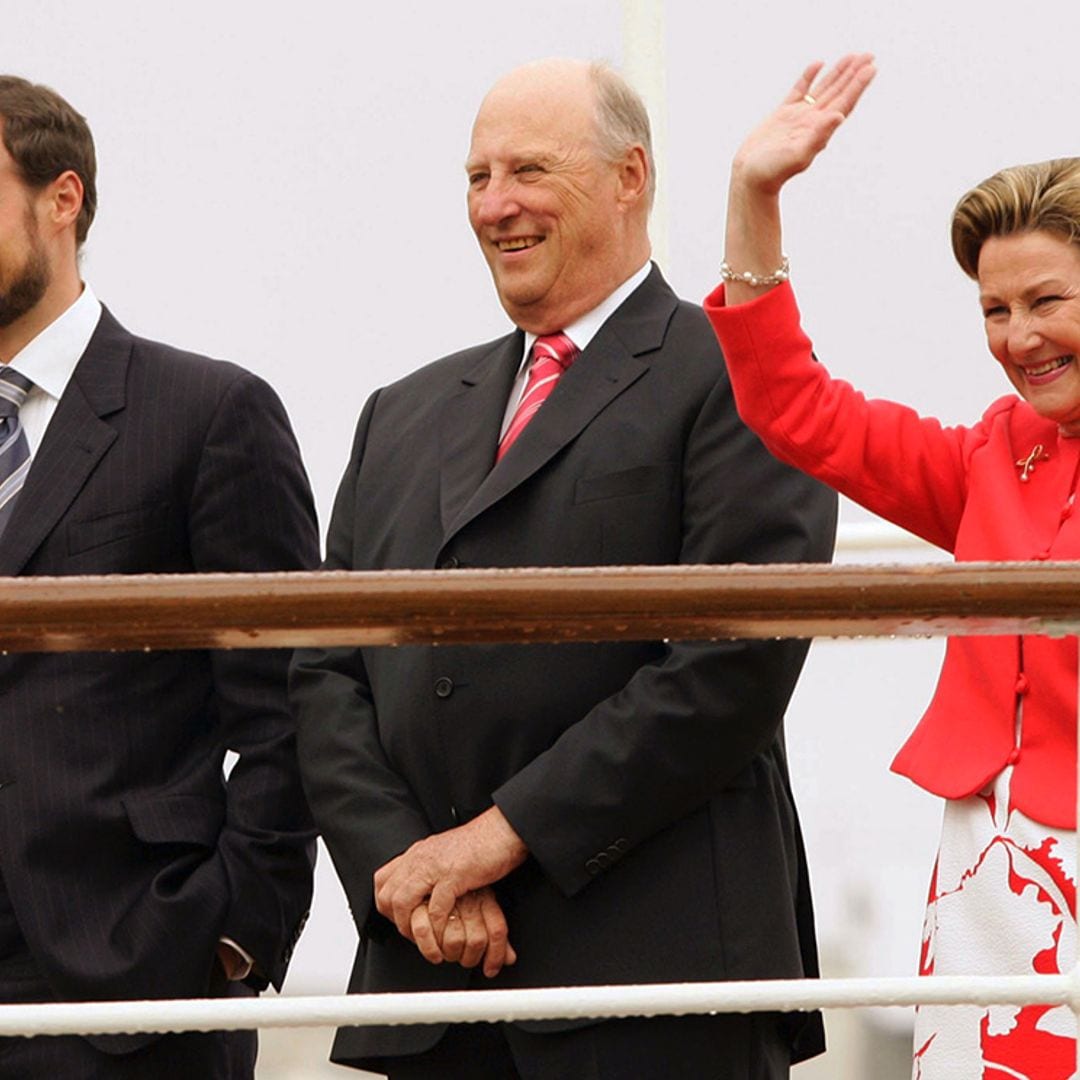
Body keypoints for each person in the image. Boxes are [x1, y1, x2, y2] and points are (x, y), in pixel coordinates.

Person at [289, 57, 837, 1080]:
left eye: (528, 171)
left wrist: (496, 840)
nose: (495, 206)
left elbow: (733, 665)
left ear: (630, 176)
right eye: (475, 177)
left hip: (654, 986)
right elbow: (324, 670)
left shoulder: (740, 376)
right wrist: (404, 874)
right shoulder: (399, 414)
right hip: (431, 989)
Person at [704, 53, 1079, 1078]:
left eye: (1046, 300)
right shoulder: (990, 454)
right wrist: (754, 194)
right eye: (995, 311)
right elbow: (795, 409)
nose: (1019, 338)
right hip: (991, 870)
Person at [0, 75, 318, 1077]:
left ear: (64, 199)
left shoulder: (209, 414)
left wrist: (235, 934)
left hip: (133, 990)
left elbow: (291, 707)